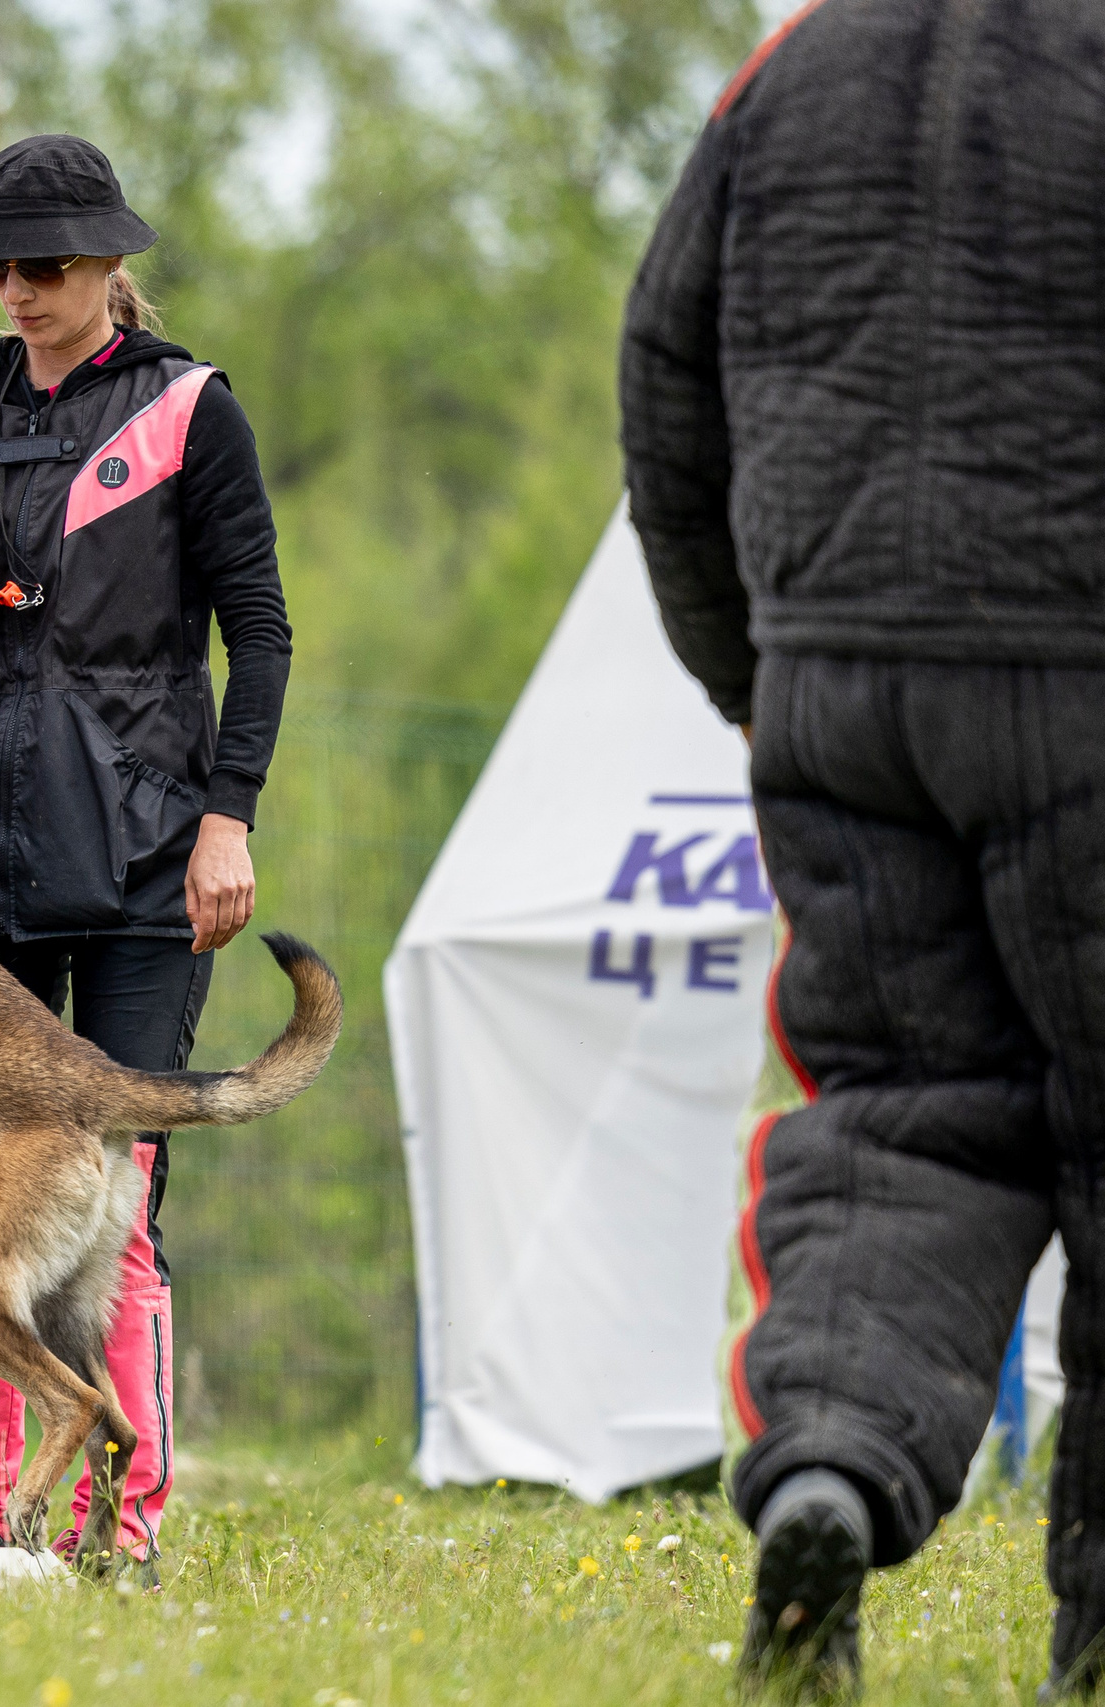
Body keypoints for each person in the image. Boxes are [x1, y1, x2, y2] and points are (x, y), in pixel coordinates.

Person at [622, 1, 1105, 1695]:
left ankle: (828, 1465)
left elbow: (663, 378)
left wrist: (761, 676)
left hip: (840, 682)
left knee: (906, 1124)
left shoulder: (798, 68)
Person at [0, 134, 292, 1568]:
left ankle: (123, 1526)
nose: (16, 288)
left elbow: (263, 628)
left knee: (118, 1192)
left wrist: (226, 813)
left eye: (43, 264)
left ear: (114, 262)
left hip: (141, 856)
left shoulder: (191, 410)